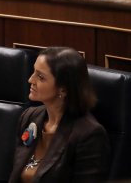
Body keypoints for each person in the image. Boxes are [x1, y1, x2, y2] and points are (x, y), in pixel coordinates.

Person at [8, 47, 110, 182]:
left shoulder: (89, 135)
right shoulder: (29, 117)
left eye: (40, 77)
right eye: (34, 72)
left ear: (63, 89)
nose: (30, 80)